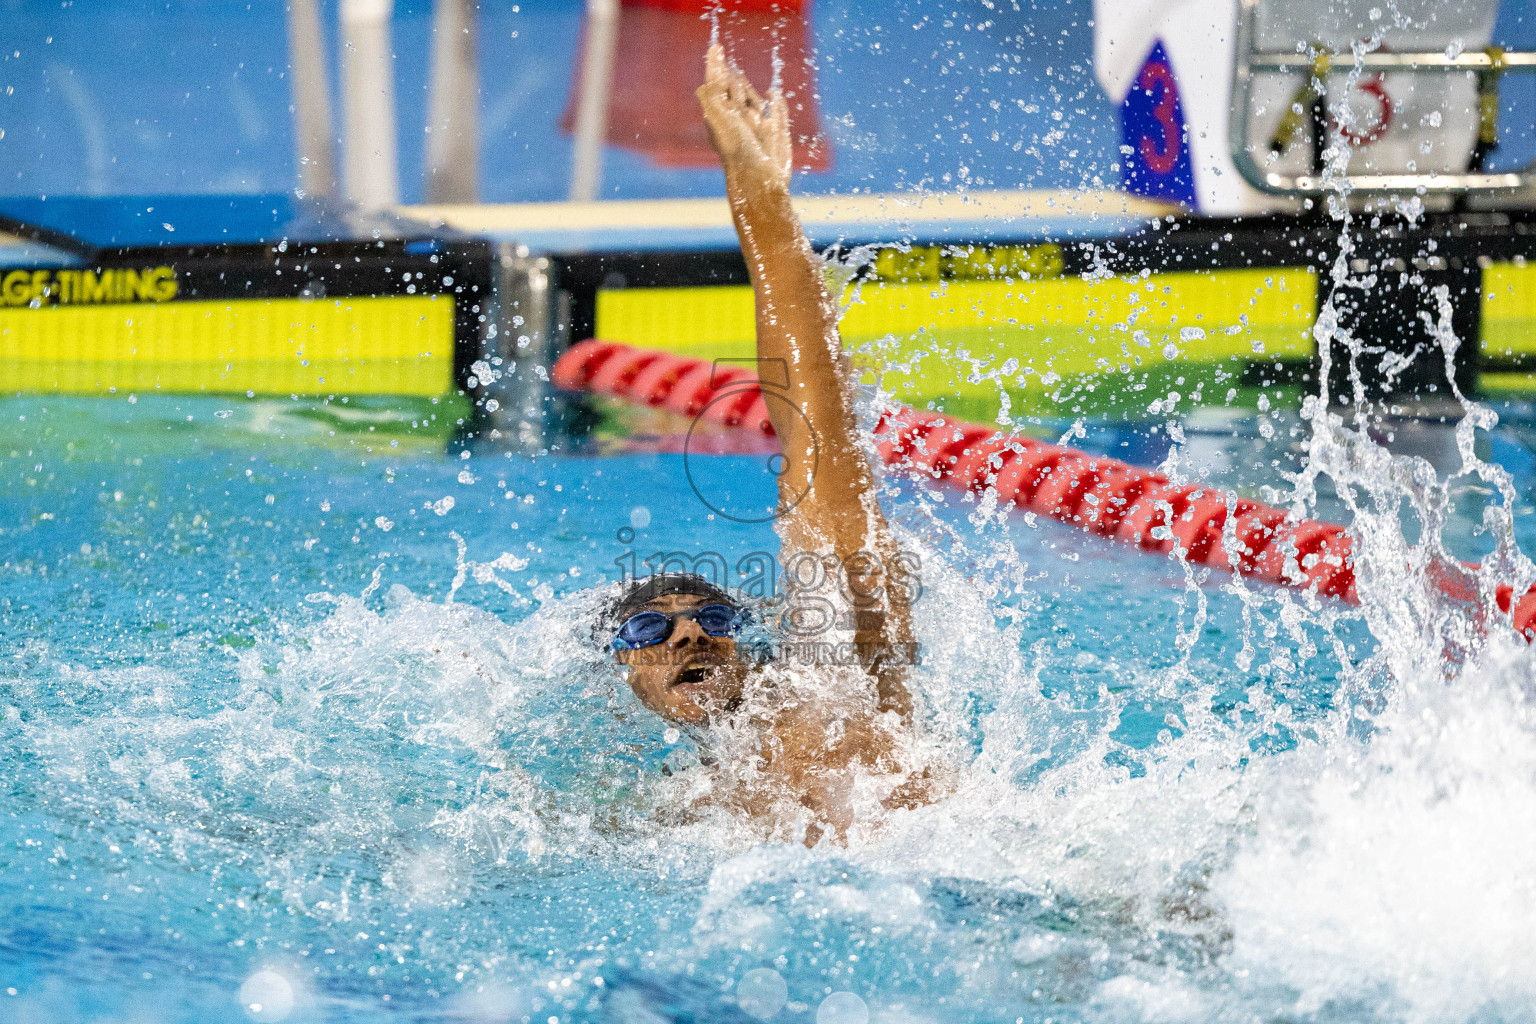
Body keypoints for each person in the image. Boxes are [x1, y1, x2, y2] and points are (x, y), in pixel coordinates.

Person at [603, 45, 935, 845]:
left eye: (714, 616)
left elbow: (822, 444)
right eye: (651, 631)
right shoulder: (676, 810)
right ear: (625, 677)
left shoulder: (829, 687)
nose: (689, 634)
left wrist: (759, 201)